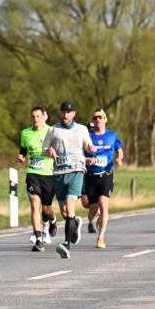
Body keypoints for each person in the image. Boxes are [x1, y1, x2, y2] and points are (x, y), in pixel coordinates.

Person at [43, 101, 96, 259]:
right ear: (60, 113)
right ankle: (75, 223)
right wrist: (49, 150)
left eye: (69, 112)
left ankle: (66, 244)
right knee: (65, 211)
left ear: (74, 113)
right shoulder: (53, 130)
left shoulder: (82, 129)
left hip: (76, 170)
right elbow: (44, 149)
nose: (66, 115)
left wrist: (91, 150)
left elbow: (88, 145)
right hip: (59, 172)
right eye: (63, 112)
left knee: (70, 205)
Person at [82, 109, 124, 249]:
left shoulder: (112, 136)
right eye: (95, 117)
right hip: (91, 176)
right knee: (93, 209)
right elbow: (81, 153)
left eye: (100, 117)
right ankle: (91, 220)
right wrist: (87, 160)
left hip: (106, 174)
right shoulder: (88, 136)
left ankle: (101, 237)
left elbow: (119, 149)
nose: (98, 119)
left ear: (105, 119)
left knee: (103, 204)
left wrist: (119, 158)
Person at [19, 106, 57, 251]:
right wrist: (21, 156)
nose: (35, 119)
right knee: (35, 203)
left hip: (48, 174)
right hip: (32, 173)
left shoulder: (52, 131)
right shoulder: (25, 133)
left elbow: (59, 149)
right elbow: (23, 148)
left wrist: (54, 151)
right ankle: (38, 238)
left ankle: (52, 220)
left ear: (44, 117)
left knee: (46, 208)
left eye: (38, 116)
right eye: (33, 117)